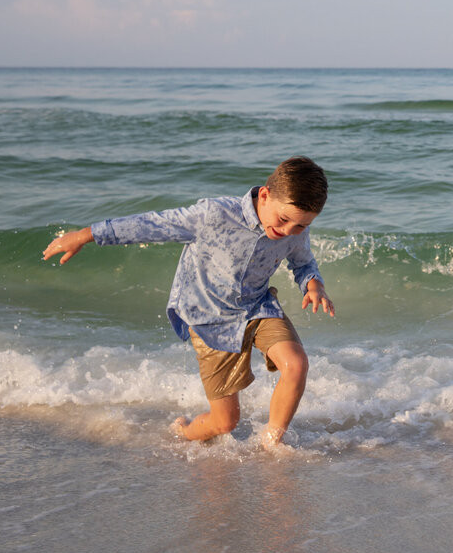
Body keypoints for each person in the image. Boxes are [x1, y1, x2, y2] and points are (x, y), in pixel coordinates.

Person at [42, 156, 335, 449]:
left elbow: (302, 261)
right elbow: (151, 225)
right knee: (225, 423)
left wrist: (313, 284)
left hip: (257, 308)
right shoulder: (214, 214)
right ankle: (182, 433)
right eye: (284, 220)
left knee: (296, 364)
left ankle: (271, 444)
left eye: (300, 226)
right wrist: (86, 235)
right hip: (210, 319)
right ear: (265, 195)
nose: (287, 231)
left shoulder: (296, 229)